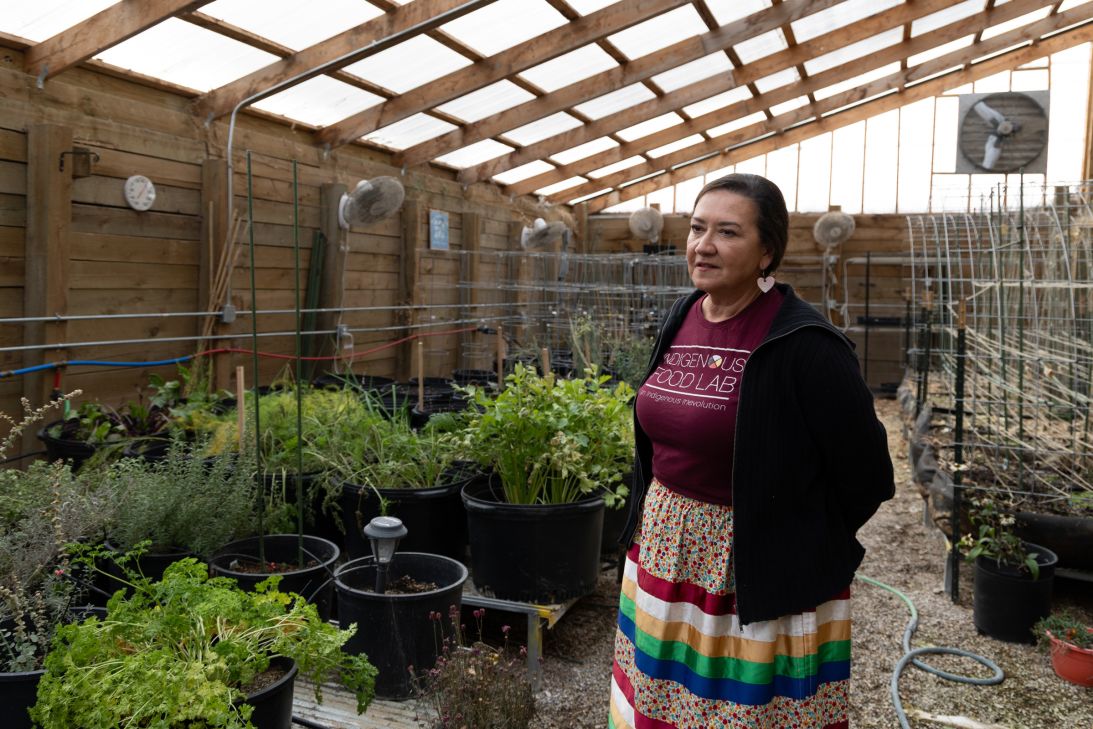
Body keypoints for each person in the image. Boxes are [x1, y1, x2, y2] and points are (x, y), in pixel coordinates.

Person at [609, 173, 894, 729]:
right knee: (660, 704)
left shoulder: (805, 345)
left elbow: (868, 476)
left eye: (727, 232)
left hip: (752, 572)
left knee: (740, 713)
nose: (703, 245)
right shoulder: (684, 315)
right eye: (696, 228)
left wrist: (794, 537)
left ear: (767, 251)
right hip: (666, 551)